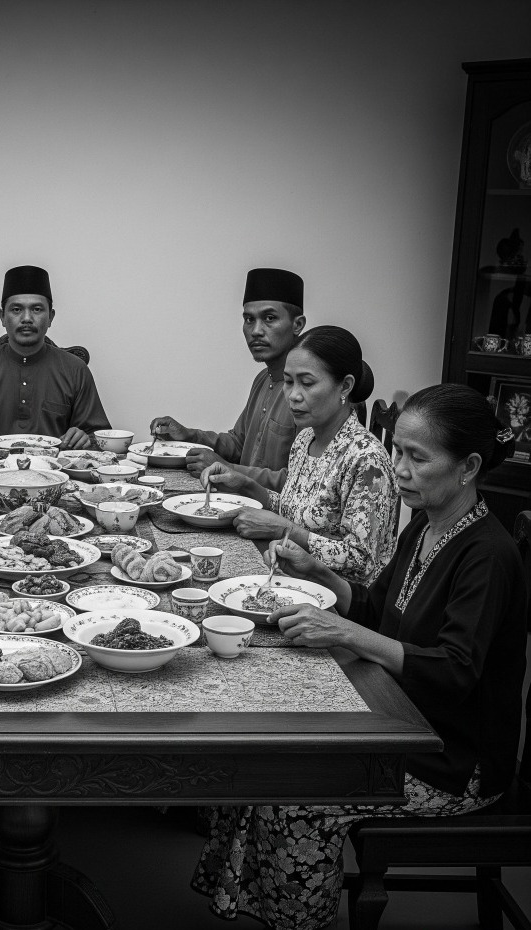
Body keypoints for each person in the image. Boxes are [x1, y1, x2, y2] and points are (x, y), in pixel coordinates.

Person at [192, 384, 527, 930]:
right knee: (266, 759)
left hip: (451, 760)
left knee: (293, 796)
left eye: (417, 458)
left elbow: (452, 673)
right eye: (396, 451)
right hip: (397, 716)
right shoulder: (427, 525)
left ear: (467, 466)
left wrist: (343, 632)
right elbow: (375, 607)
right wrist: (316, 571)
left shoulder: (486, 555)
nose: (399, 469)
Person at [201, 325, 396, 584]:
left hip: (335, 601)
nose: (293, 396)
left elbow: (361, 562)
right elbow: (293, 509)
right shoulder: (306, 438)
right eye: (289, 381)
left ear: (345, 386)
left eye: (306, 383)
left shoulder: (366, 460)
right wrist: (244, 484)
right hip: (290, 576)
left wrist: (286, 531)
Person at [151, 268, 306, 488]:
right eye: (249, 319)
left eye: (269, 318)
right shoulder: (263, 379)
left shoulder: (306, 392)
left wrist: (229, 468)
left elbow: (302, 483)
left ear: (297, 325)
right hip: (239, 503)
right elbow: (238, 444)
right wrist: (189, 436)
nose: (256, 331)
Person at [0, 265, 111, 450]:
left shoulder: (75, 369)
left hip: (58, 474)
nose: (26, 318)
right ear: (2, 317)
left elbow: (100, 438)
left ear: (51, 317)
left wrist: (86, 438)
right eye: (16, 310)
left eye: (37, 309)